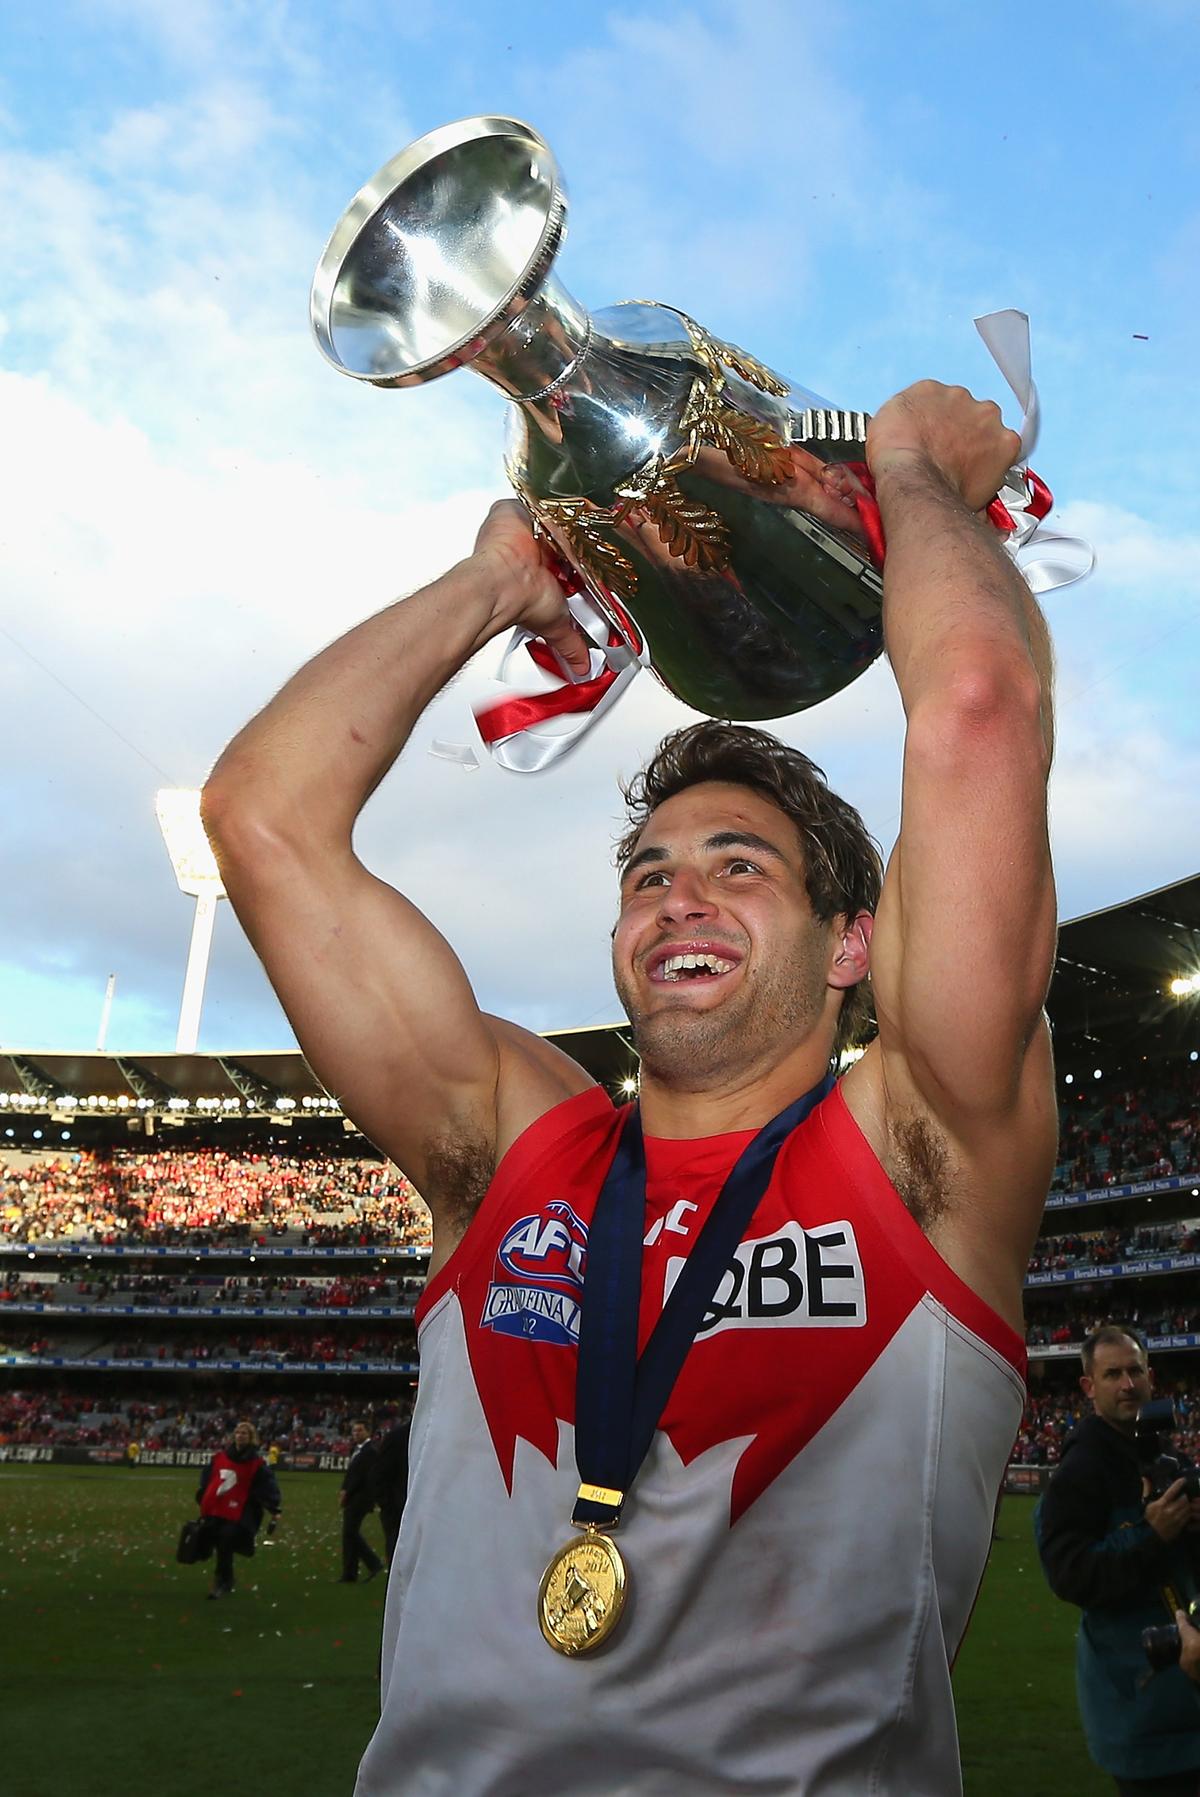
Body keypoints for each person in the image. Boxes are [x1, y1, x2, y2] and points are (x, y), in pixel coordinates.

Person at [203, 381, 1056, 1794]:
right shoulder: (505, 1142)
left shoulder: (923, 1147)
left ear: (855, 942)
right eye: (647, 874)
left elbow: (975, 705)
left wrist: (914, 477)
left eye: (741, 866)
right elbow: (264, 817)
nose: (679, 898)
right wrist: (496, 580)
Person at [1035, 1326, 1200, 1793]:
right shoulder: (1081, 1468)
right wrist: (1150, 1535)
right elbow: (1069, 1574)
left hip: (1184, 1690)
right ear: (1089, 1387)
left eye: (1135, 1371)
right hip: (1142, 1704)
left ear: (1151, 1376)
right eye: (1113, 1374)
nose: (1128, 1384)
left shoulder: (1158, 1447)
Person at [193, 1418, 281, 1599]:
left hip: (242, 1510)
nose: (240, 1436)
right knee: (218, 1540)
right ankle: (226, 1578)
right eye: (238, 1433)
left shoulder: (257, 1464)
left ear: (251, 1437)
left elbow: (267, 1486)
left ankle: (221, 1580)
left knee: (226, 1538)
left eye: (244, 1433)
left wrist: (273, 1507)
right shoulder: (221, 1457)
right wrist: (203, 1496)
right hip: (219, 1507)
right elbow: (209, 1479)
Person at [338, 1418, 384, 1583]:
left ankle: (373, 1563)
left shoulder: (370, 1451)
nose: (356, 1433)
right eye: (354, 1430)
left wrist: (346, 1492)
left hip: (360, 1498)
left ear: (368, 1432)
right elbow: (352, 1474)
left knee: (350, 1533)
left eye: (359, 1430)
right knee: (349, 1534)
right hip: (355, 1496)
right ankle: (350, 1574)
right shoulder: (359, 1450)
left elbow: (360, 1477)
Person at [372, 1414, 412, 1566]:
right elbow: (379, 1475)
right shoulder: (397, 1437)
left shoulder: (441, 1436)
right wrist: (389, 1507)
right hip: (399, 1513)